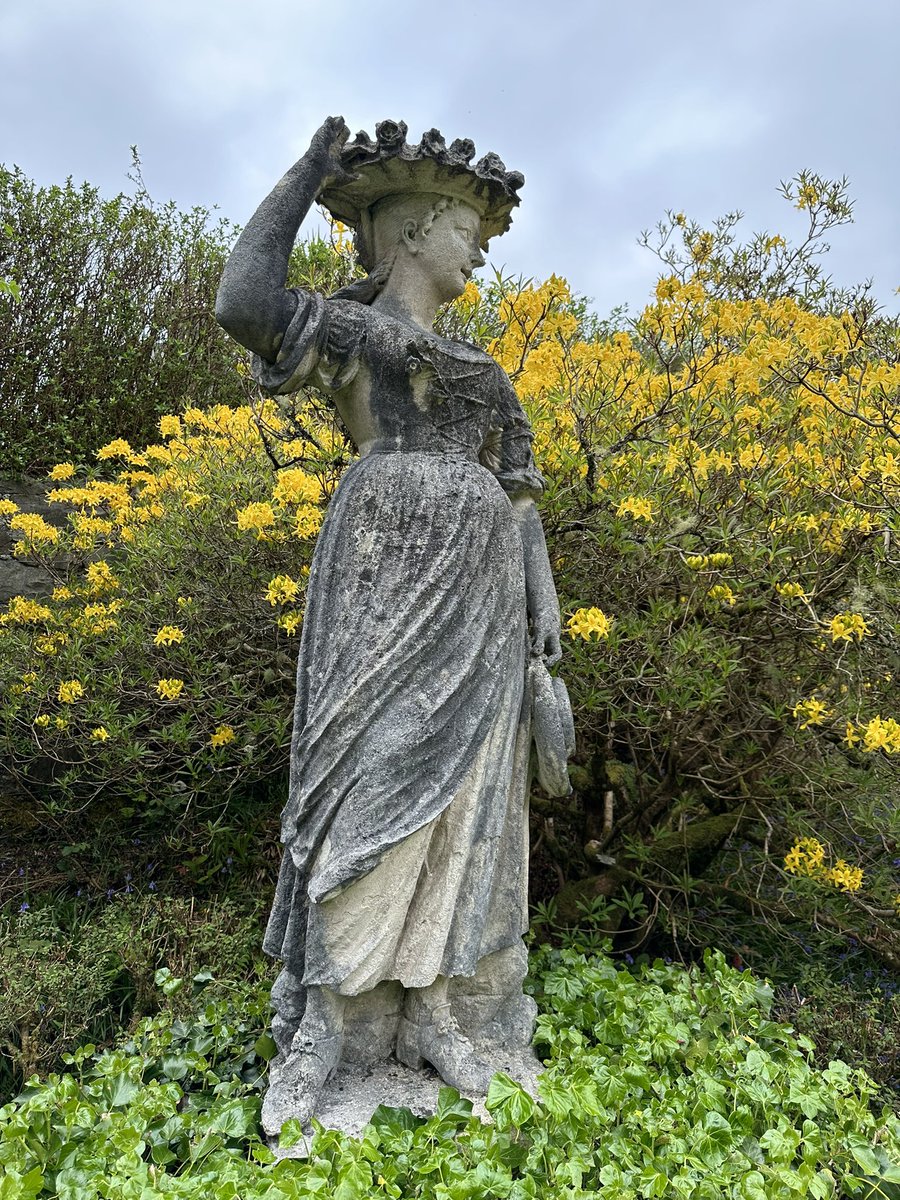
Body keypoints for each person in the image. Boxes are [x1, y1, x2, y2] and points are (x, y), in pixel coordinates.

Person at [216, 116, 571, 1133]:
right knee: (360, 786)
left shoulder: (488, 376)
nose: (478, 251)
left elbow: (520, 500)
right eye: (466, 231)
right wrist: (301, 177)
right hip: (380, 571)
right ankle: (329, 1028)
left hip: (482, 597)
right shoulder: (351, 331)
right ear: (414, 230)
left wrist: (543, 616)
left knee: (464, 805)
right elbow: (241, 298)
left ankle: (438, 1014)